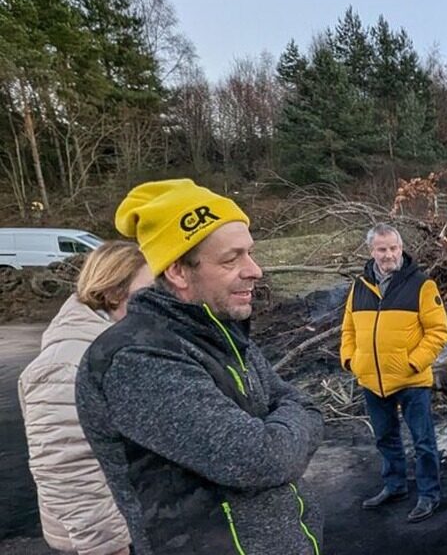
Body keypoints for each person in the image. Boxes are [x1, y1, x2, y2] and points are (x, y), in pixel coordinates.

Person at [75, 179, 325, 555]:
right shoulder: (136, 359)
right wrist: (285, 430)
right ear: (177, 271)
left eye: (250, 253)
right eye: (231, 259)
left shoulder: (219, 333)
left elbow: (306, 405)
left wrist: (285, 425)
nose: (254, 270)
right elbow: (261, 458)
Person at [19, 241, 152, 555]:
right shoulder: (67, 362)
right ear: (113, 293)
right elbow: (66, 468)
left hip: (139, 523)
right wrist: (109, 546)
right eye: (148, 293)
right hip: (110, 538)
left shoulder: (118, 342)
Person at [341, 223, 447, 521]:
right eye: (382, 249)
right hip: (372, 380)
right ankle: (395, 485)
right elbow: (348, 328)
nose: (388, 254)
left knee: (423, 441)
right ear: (371, 251)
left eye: (393, 248)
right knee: (385, 437)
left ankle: (429, 494)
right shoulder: (359, 287)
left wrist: (414, 362)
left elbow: (439, 331)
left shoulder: (421, 285)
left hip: (411, 380)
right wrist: (351, 359)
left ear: (401, 249)